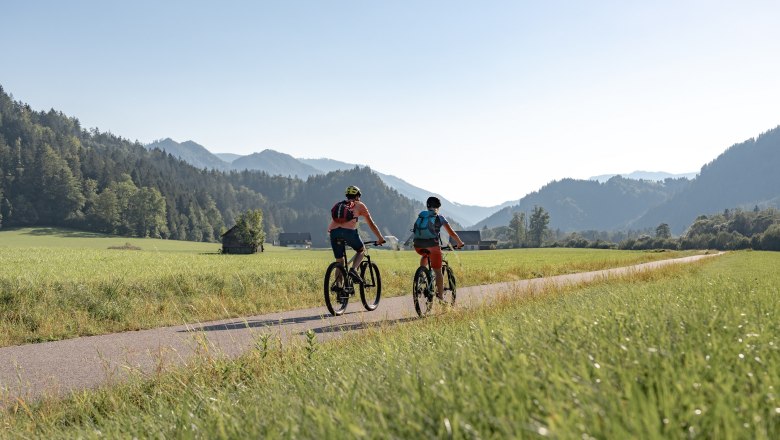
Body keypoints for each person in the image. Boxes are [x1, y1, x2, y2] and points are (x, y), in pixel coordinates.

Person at [327, 185, 386, 284]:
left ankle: (339, 288)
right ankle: (353, 270)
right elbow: (371, 223)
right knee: (361, 249)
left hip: (334, 232)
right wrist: (380, 238)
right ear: (357, 196)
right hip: (349, 232)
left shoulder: (339, 205)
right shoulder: (360, 205)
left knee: (339, 261)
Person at [413, 196, 464, 300]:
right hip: (433, 246)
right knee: (437, 271)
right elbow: (451, 232)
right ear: (438, 207)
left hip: (418, 246)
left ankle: (422, 275)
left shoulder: (422, 216)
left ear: (427, 206)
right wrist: (459, 242)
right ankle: (440, 296)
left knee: (425, 255)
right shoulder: (439, 217)